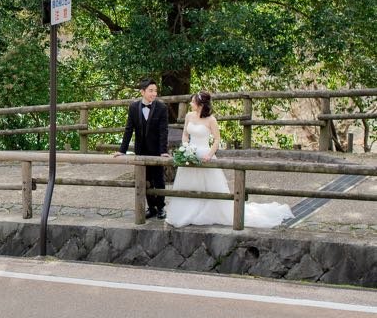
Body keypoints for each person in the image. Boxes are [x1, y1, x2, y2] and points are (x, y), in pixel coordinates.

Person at [164, 91, 294, 228]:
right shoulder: (189, 116)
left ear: (200, 104)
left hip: (204, 153)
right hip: (189, 154)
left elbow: (216, 139)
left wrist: (209, 154)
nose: (190, 103)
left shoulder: (211, 120)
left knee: (208, 186)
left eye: (193, 102)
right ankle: (186, 212)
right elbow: (185, 134)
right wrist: (185, 147)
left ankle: (206, 213)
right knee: (188, 184)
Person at [114, 78, 169, 219]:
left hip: (157, 151)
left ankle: (161, 207)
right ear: (142, 92)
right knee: (144, 180)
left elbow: (164, 131)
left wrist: (163, 151)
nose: (154, 93)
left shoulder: (162, 108)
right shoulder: (133, 107)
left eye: (155, 91)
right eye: (151, 91)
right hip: (141, 150)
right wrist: (122, 150)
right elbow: (128, 130)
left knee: (159, 180)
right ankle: (152, 208)